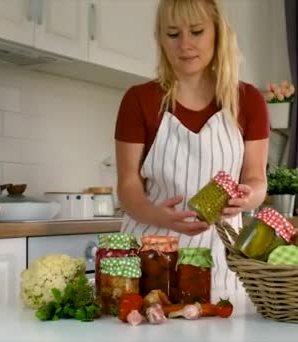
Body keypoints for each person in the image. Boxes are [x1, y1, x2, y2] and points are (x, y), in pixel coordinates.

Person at [114, 0, 269, 299]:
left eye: (196, 31)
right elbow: (127, 184)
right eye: (173, 34)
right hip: (149, 252)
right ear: (160, 38)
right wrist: (158, 216)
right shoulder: (139, 100)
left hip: (219, 262)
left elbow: (257, 179)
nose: (185, 44)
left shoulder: (248, 100)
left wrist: (248, 198)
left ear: (217, 34)